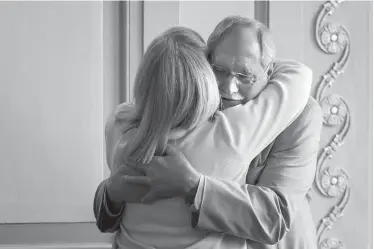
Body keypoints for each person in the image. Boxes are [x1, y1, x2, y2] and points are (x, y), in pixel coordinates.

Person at [94, 18, 318, 249]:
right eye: (219, 70)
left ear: (269, 71)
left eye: (245, 76)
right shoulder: (178, 113)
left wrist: (194, 186)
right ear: (205, 64)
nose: (230, 88)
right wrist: (111, 192)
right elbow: (109, 216)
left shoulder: (300, 114)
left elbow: (276, 217)